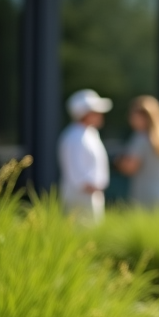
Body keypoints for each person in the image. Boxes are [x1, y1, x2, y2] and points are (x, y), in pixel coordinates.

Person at [118, 95, 159, 209]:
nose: (130, 119)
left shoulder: (140, 138)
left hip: (144, 196)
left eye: (133, 115)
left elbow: (131, 167)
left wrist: (118, 163)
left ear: (144, 117)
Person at [58, 89, 112, 223]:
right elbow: (75, 170)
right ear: (85, 114)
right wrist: (90, 188)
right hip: (81, 197)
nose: (100, 115)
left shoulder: (90, 133)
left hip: (90, 195)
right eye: (96, 112)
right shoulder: (74, 136)